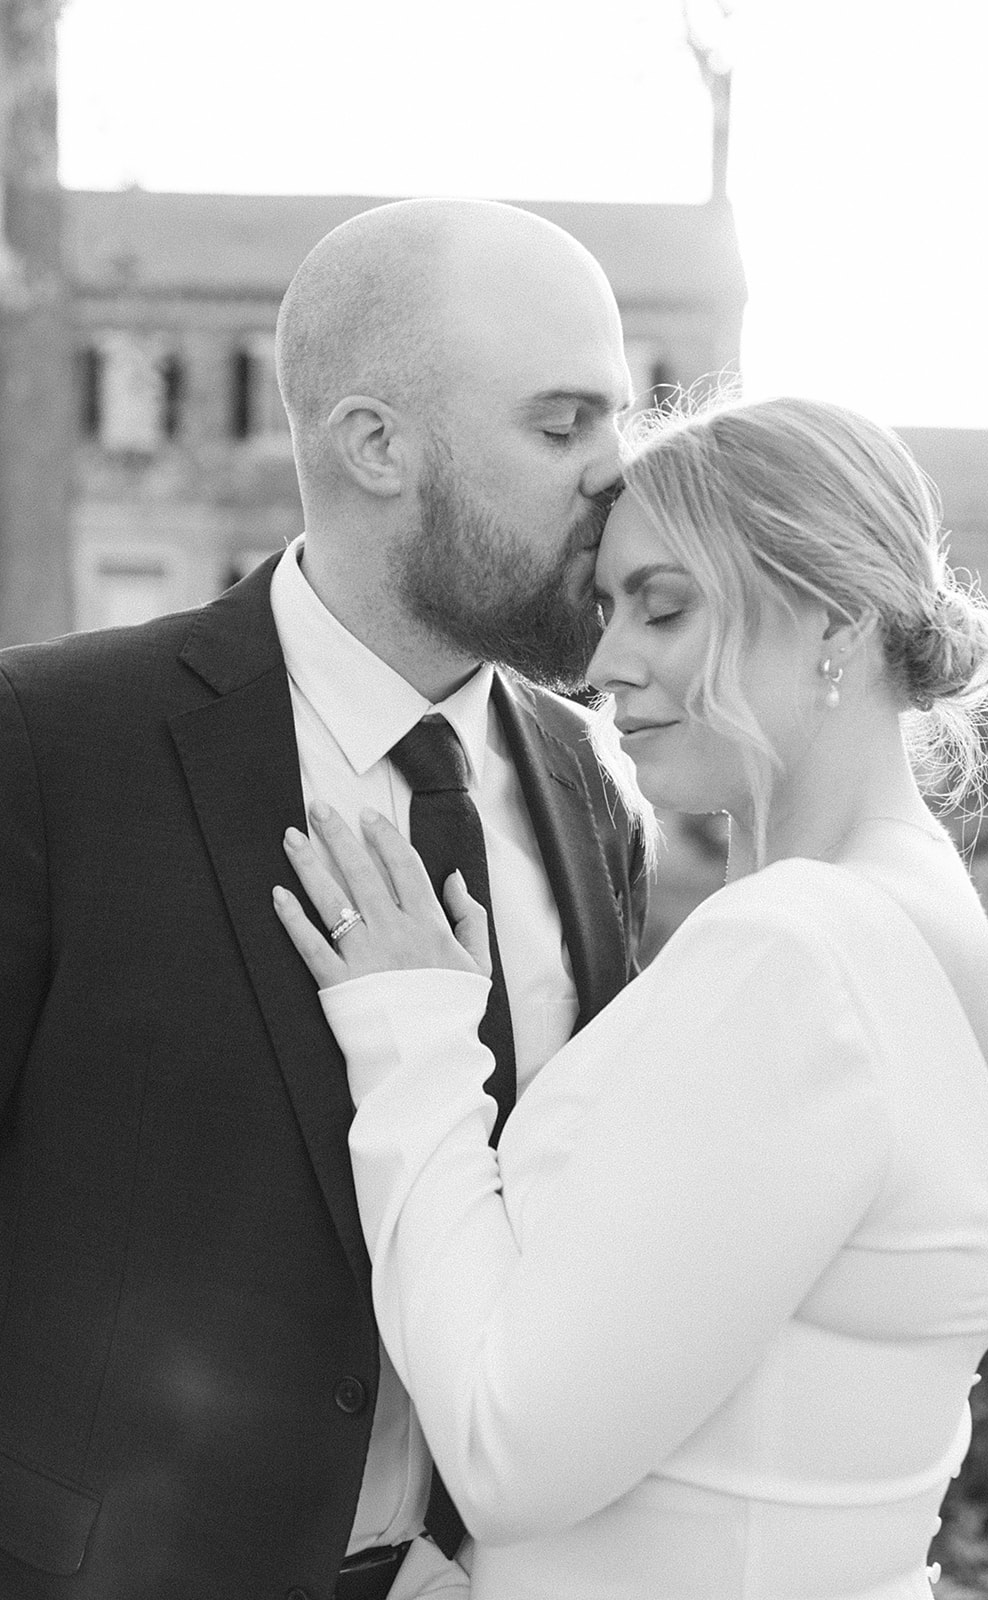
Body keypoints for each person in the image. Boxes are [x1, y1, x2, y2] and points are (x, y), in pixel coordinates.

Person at [276, 396, 988, 1600]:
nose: (604, 661)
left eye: (662, 606)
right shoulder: (917, 905)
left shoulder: (798, 951)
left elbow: (510, 1454)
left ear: (832, 616)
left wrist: (413, 1032)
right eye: (605, 606)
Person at [0, 198, 646, 1600]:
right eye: (561, 425)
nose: (620, 475)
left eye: (622, 417)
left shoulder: (594, 783)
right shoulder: (46, 747)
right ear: (373, 445)